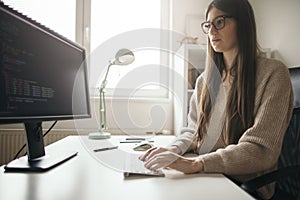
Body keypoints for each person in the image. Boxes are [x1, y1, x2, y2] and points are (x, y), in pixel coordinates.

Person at [139, 0, 293, 199]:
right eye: (207, 24)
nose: (211, 30)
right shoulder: (205, 80)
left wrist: (197, 163)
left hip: (243, 185)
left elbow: (260, 149)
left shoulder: (273, 73)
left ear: (243, 23)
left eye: (219, 22)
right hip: (209, 174)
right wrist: (173, 149)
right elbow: (193, 131)